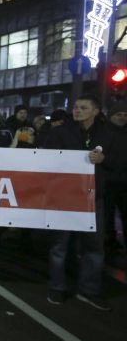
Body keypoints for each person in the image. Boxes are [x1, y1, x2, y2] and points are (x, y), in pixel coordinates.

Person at [45, 95, 111, 311]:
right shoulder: (60, 132)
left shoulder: (106, 134)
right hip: (65, 197)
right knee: (60, 245)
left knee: (94, 246)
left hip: (94, 199)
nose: (77, 110)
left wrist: (104, 159)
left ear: (95, 111)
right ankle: (57, 287)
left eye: (83, 107)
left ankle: (89, 290)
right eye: (75, 107)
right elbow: (48, 159)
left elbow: (119, 158)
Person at [103, 101, 127, 254]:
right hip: (108, 182)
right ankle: (109, 242)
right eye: (119, 114)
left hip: (124, 182)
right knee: (107, 216)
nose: (123, 118)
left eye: (125, 115)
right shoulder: (103, 133)